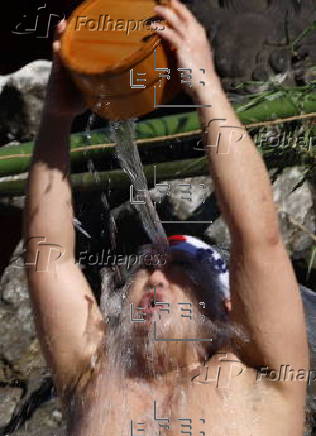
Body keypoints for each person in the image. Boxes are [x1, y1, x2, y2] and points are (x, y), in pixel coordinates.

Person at [23, 0, 309, 434]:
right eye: (147, 270)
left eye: (179, 270)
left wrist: (206, 85)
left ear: (224, 309)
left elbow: (257, 236)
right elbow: (51, 256)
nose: (155, 279)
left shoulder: (262, 374)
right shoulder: (91, 377)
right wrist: (57, 118)